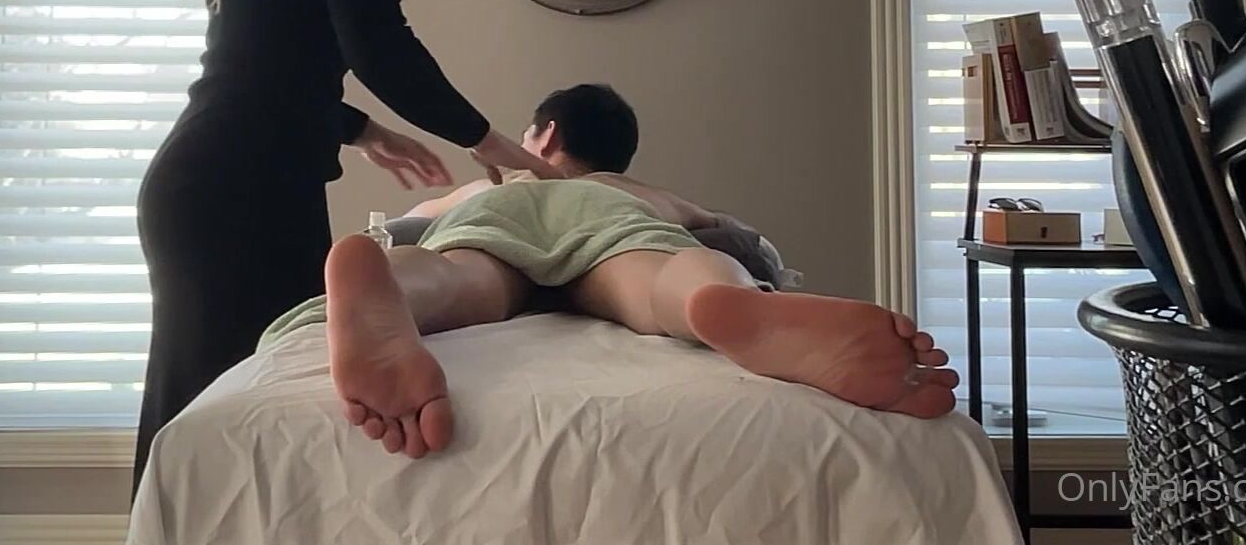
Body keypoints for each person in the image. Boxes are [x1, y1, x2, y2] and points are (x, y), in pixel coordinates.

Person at [133, 0, 558, 492]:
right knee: (223, 435)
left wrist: (358, 128)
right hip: (237, 191)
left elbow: (267, 45)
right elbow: (375, 40)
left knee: (224, 428)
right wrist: (484, 139)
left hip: (225, 177)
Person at [258, 84, 959, 459]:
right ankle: (719, 301)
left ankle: (397, 290)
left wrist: (387, 245)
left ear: (545, 136)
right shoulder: (633, 191)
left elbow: (413, 220)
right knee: (659, 277)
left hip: (495, 221)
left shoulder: (494, 185)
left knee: (458, 271)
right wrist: (760, 264)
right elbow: (738, 235)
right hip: (612, 223)